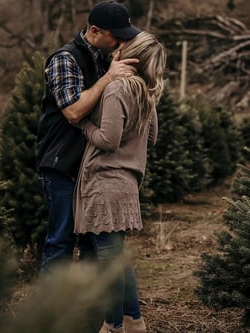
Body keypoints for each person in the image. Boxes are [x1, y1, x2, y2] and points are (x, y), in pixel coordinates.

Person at [36, 1, 140, 273]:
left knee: (93, 248)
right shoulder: (65, 59)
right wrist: (108, 78)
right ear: (94, 31)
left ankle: (86, 311)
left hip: (93, 170)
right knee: (61, 242)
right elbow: (73, 111)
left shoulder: (107, 59)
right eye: (116, 35)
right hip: (63, 167)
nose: (121, 42)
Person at [73, 31, 167, 333]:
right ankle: (134, 321)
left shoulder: (117, 90)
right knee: (117, 260)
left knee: (108, 265)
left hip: (104, 185)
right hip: (127, 186)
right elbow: (151, 138)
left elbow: (108, 140)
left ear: (130, 55)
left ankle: (112, 326)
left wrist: (83, 123)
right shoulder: (146, 93)